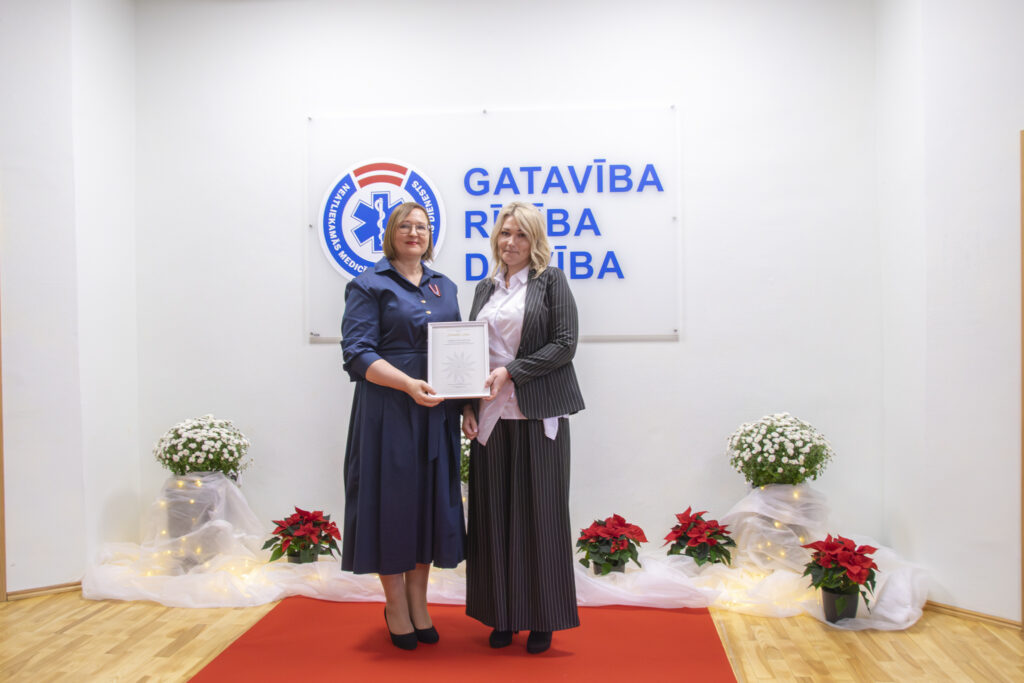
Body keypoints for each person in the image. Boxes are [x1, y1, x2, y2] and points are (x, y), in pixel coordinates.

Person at [462, 201, 585, 654]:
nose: (510, 242)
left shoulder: (551, 280)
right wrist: (466, 407)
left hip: (537, 414)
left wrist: (512, 372)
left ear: (535, 241)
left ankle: (542, 618)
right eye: (504, 233)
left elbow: (565, 344)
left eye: (520, 234)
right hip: (490, 418)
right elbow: (470, 354)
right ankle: (501, 615)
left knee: (540, 518)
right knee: (492, 518)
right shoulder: (484, 288)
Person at [340, 202, 464, 651]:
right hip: (388, 410)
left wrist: (467, 405)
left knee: (428, 504)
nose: (414, 233)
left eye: (422, 227)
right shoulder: (368, 284)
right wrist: (408, 384)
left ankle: (418, 601)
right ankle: (394, 604)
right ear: (390, 232)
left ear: (431, 235)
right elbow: (357, 353)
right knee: (391, 505)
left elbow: (460, 352)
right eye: (405, 226)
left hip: (436, 411)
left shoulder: (445, 286)